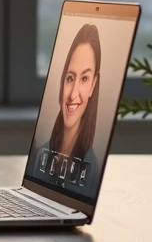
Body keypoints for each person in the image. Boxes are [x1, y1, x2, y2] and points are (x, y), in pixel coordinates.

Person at [29, 23, 102, 193]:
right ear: (63, 82)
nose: (72, 95)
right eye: (70, 78)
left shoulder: (90, 166)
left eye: (84, 79)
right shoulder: (42, 154)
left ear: (93, 85)